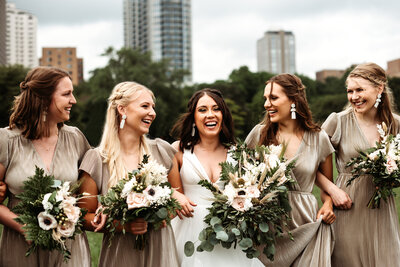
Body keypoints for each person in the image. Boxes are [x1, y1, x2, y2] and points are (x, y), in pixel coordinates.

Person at [78, 81, 182, 267]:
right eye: (145, 106)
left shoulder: (162, 151)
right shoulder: (96, 159)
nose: (152, 112)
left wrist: (156, 217)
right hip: (120, 252)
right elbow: (84, 216)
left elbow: (178, 202)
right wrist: (122, 225)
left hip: (160, 249)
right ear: (122, 110)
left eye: (153, 107)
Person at [0, 66, 91, 266]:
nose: (73, 100)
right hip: (21, 247)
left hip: (69, 247)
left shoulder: (75, 138)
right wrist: (24, 227)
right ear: (42, 99)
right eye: (66, 94)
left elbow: (91, 193)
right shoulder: (6, 140)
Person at [245, 73, 336, 266]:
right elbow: (242, 179)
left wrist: (327, 205)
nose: (266, 104)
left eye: (273, 98)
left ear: (293, 100)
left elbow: (328, 187)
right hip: (266, 230)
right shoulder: (258, 135)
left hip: (305, 225)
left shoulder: (319, 138)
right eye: (265, 99)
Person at [169, 88, 264, 267]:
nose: (210, 115)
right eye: (202, 110)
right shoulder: (178, 150)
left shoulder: (238, 154)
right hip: (187, 234)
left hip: (226, 236)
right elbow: (172, 195)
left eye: (216, 109)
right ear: (194, 118)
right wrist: (175, 195)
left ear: (223, 115)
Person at [322, 63, 400, 267]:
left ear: (379, 88)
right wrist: (333, 191)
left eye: (360, 90)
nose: (354, 97)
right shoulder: (337, 121)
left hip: (383, 210)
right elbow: (310, 164)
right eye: (350, 91)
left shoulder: (395, 124)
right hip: (348, 206)